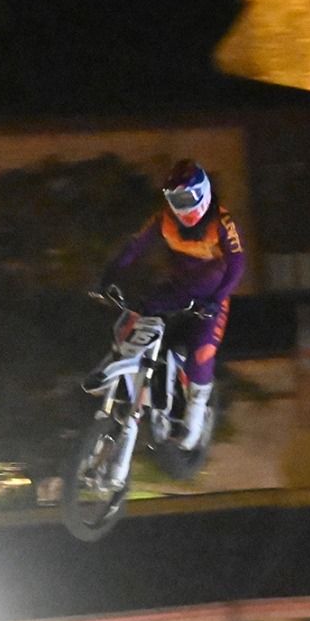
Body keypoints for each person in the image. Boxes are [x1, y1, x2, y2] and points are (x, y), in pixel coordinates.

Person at [101, 160, 246, 450]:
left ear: (203, 194)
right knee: (136, 316)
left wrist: (217, 300)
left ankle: (196, 410)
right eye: (174, 200)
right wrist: (109, 276)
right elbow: (134, 247)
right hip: (176, 289)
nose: (181, 208)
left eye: (187, 199)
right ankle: (129, 382)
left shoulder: (221, 221)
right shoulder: (162, 220)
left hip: (210, 296)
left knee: (202, 353)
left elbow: (237, 265)